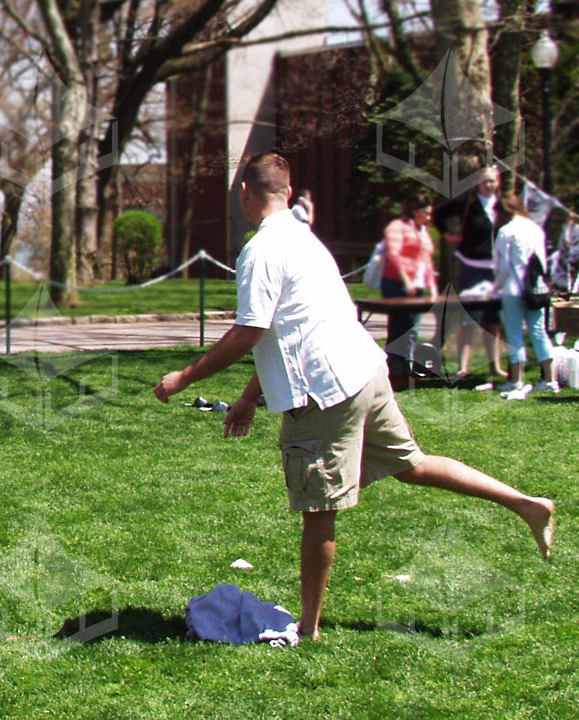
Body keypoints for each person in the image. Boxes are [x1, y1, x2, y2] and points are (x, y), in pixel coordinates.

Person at [153, 152, 555, 641]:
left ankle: (310, 626)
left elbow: (249, 331)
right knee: (414, 465)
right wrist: (246, 397)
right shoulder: (306, 239)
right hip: (365, 372)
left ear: (244, 193)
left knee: (317, 509)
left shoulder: (260, 250)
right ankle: (525, 503)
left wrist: (184, 378)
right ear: (286, 190)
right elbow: (292, 328)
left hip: (324, 394)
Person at [434, 166, 505, 378]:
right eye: (485, 181)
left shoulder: (502, 206)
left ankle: (495, 365)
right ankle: (462, 367)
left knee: (492, 319)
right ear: (478, 183)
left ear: (498, 182)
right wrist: (447, 235)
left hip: (496, 270)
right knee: (469, 318)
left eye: (492, 181)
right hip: (472, 268)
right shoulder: (467, 203)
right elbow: (439, 213)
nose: (488, 185)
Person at [493, 193, 559, 399]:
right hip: (536, 287)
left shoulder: (505, 231)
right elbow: (543, 262)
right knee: (539, 332)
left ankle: (517, 380)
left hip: (513, 287)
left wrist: (497, 286)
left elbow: (502, 266)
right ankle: (550, 379)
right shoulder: (535, 229)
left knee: (514, 333)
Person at [381, 193, 438, 385]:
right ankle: (395, 371)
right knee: (400, 327)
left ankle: (406, 369)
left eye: (430, 214)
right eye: (425, 213)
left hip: (418, 285)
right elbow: (394, 255)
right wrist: (407, 281)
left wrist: (432, 287)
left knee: (413, 328)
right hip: (397, 284)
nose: (429, 217)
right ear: (414, 210)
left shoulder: (423, 231)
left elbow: (427, 260)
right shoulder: (398, 227)